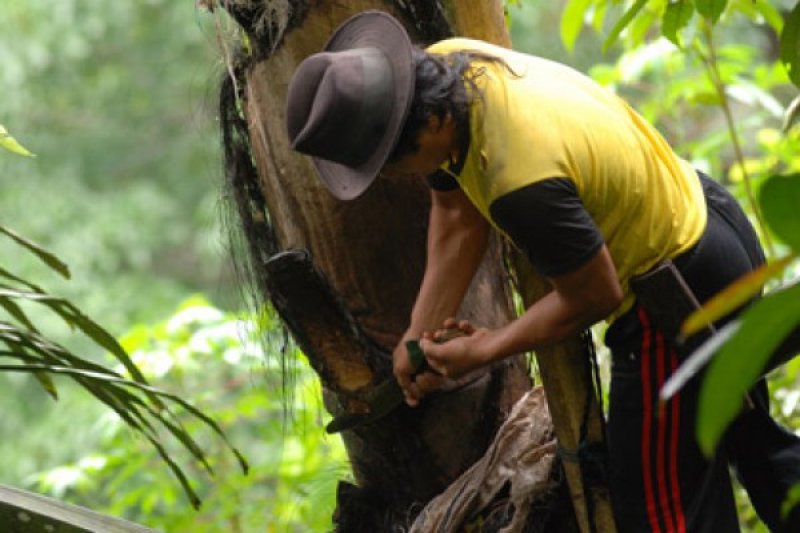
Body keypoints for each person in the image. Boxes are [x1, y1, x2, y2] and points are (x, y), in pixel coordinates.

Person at [284, 10, 800, 532]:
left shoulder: (520, 180)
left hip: (675, 296)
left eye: (393, 163)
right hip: (705, 221)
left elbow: (593, 294)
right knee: (756, 449)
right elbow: (457, 214)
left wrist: (484, 349)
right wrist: (419, 331)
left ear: (429, 126)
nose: (397, 175)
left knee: (663, 513)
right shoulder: (450, 68)